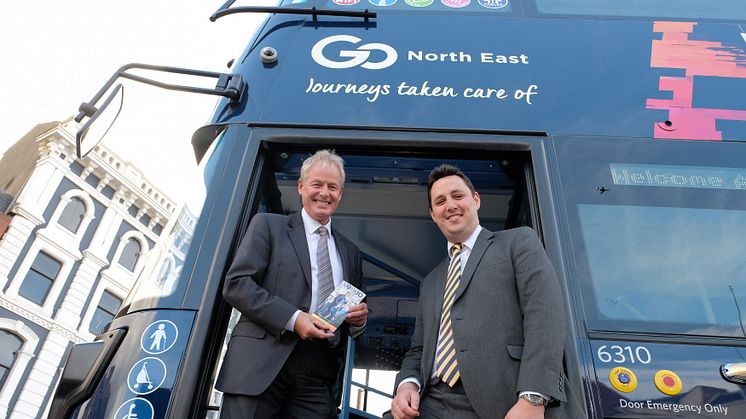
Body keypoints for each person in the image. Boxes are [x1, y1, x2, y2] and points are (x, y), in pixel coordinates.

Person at [390, 164, 569, 419]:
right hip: (430, 403)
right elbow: (418, 350)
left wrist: (533, 397)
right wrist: (408, 384)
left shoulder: (518, 243)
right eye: (440, 201)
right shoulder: (430, 282)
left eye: (457, 196)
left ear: (476, 200)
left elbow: (545, 316)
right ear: (433, 214)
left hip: (501, 401)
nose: (450, 205)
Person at [216, 149, 368, 419]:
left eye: (332, 187)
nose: (325, 193)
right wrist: (295, 319)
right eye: (317, 184)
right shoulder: (268, 226)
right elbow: (237, 284)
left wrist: (359, 321)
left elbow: (352, 312)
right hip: (259, 364)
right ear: (300, 186)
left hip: (318, 373)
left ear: (340, 193)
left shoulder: (351, 252)